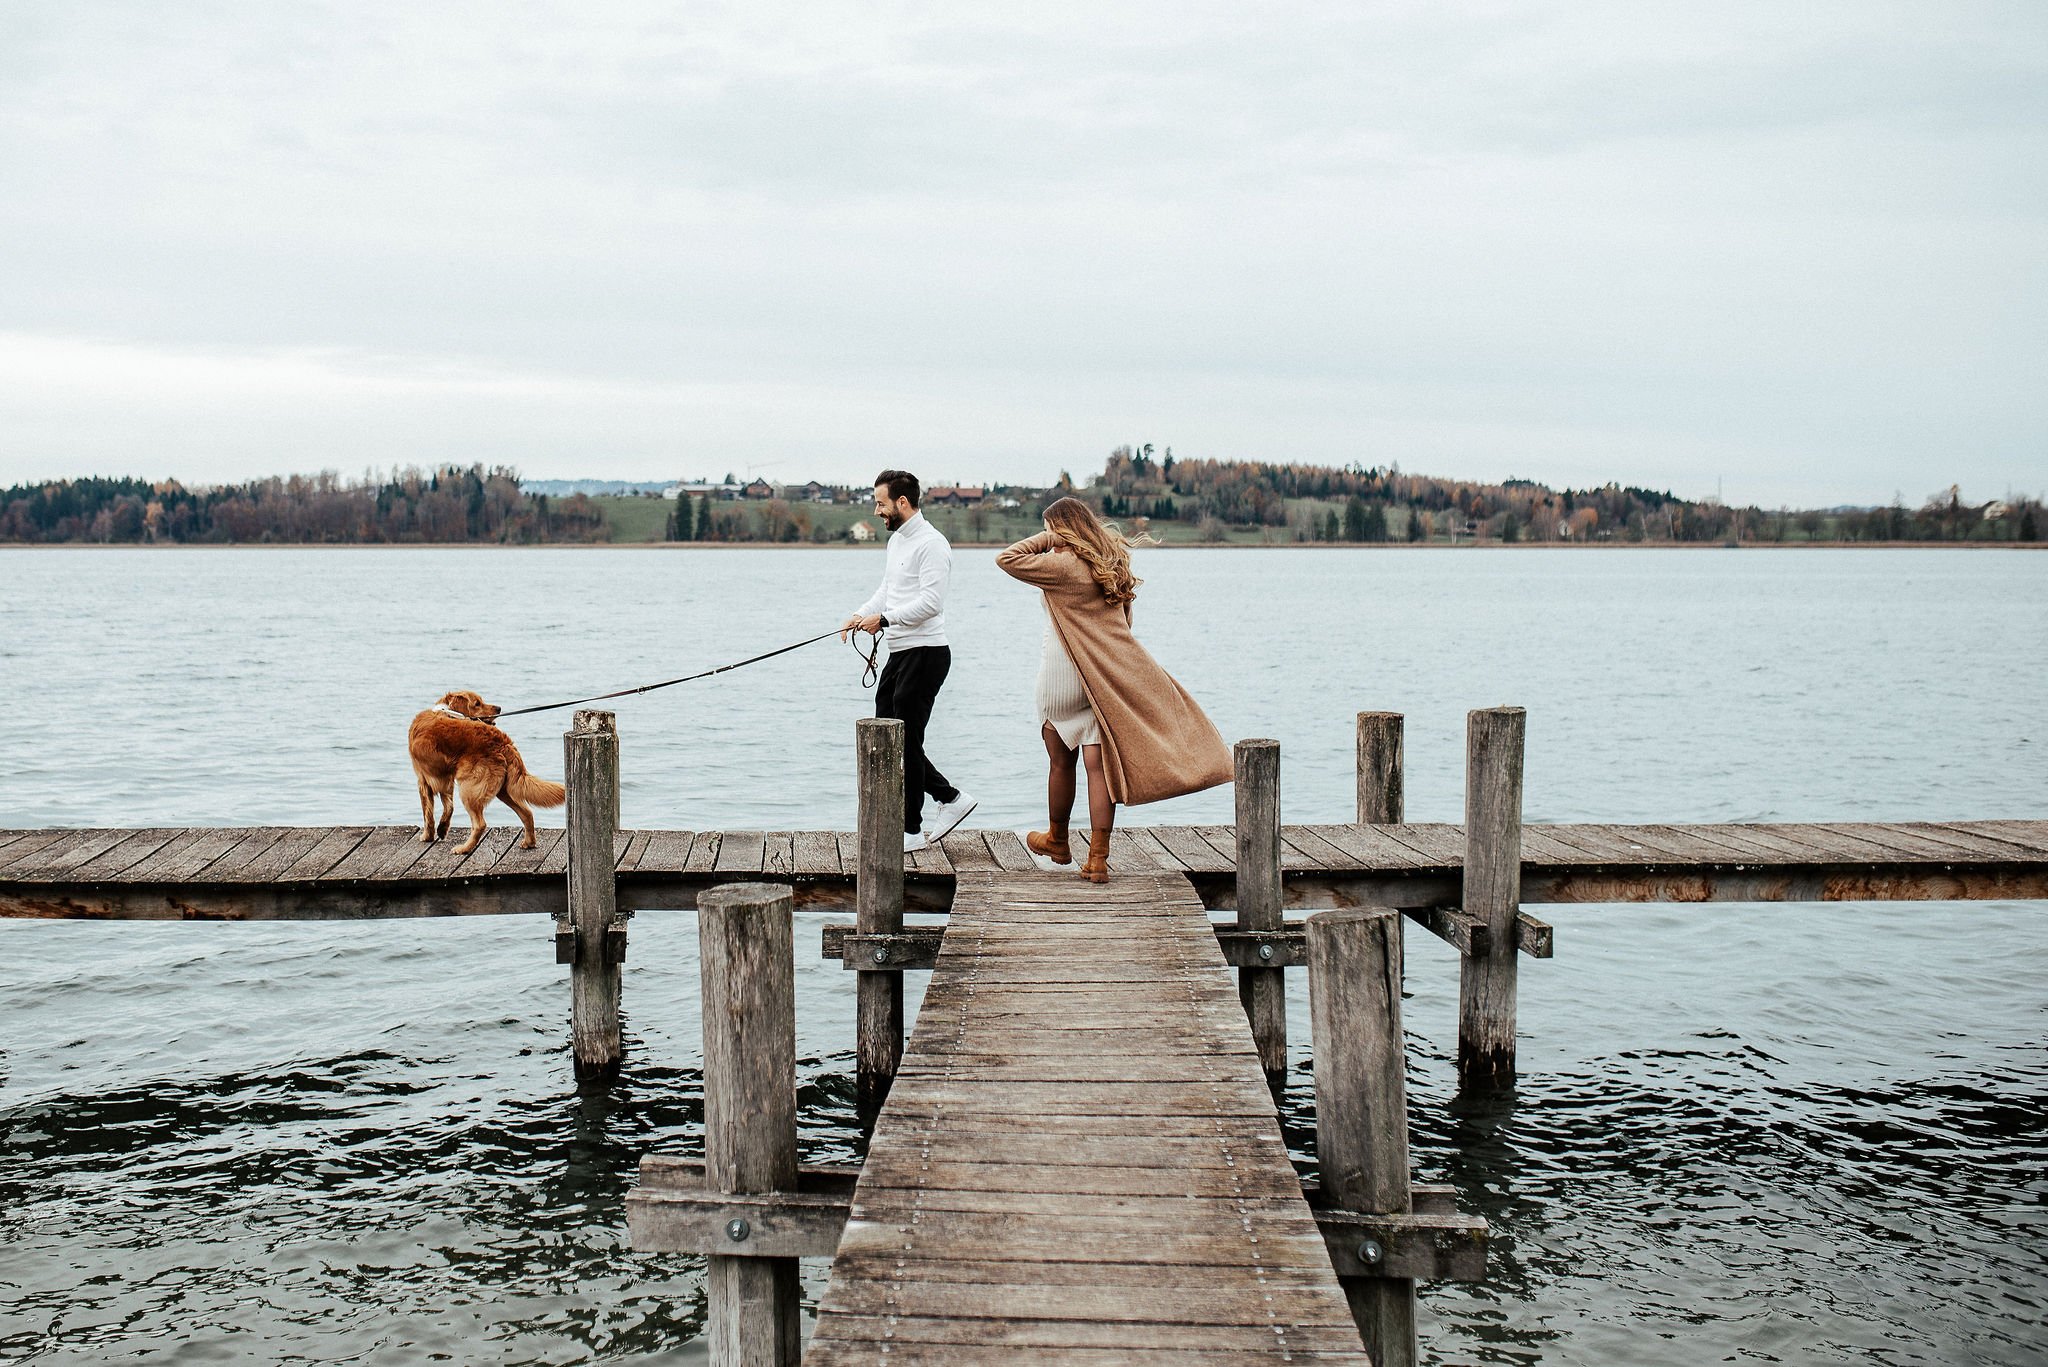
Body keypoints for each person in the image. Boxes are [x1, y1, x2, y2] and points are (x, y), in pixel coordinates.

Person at [995, 497, 1231, 882]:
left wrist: (1045, 537)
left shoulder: (1061, 565)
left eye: (1052, 528)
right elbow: (1125, 623)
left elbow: (1007, 558)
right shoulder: (1111, 565)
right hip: (1103, 676)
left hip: (1061, 672)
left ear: (1061, 528)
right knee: (1097, 769)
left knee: (1060, 762)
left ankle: (1058, 840)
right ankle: (1098, 859)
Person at [841, 470, 976, 853]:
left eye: (881, 503)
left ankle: (913, 831)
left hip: (927, 653)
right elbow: (889, 590)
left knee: (906, 739)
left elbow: (932, 603)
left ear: (903, 503)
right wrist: (860, 614)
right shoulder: (898, 542)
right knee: (890, 735)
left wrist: (882, 621)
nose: (877, 510)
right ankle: (949, 798)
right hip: (900, 653)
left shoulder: (933, 545)